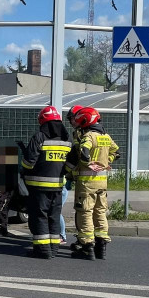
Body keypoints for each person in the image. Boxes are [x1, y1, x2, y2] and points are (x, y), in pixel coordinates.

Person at [66, 107, 120, 260]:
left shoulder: (88, 136)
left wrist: (88, 162)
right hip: (102, 183)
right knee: (100, 212)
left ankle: (87, 247)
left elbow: (83, 152)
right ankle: (100, 246)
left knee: (85, 212)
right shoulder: (106, 136)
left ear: (84, 120)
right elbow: (116, 152)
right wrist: (105, 163)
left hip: (87, 182)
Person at [18, 106, 72, 259]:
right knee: (54, 216)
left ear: (42, 120)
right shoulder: (67, 139)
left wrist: (24, 168)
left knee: (39, 216)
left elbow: (28, 163)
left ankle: (42, 251)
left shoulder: (40, 137)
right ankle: (53, 249)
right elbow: (70, 162)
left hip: (39, 187)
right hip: (58, 187)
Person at [59, 105, 83, 244]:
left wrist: (67, 172)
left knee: (83, 212)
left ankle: (63, 236)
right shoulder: (77, 133)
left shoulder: (82, 134)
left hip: (82, 179)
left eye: (72, 119)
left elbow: (76, 157)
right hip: (76, 178)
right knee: (81, 212)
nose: (70, 122)